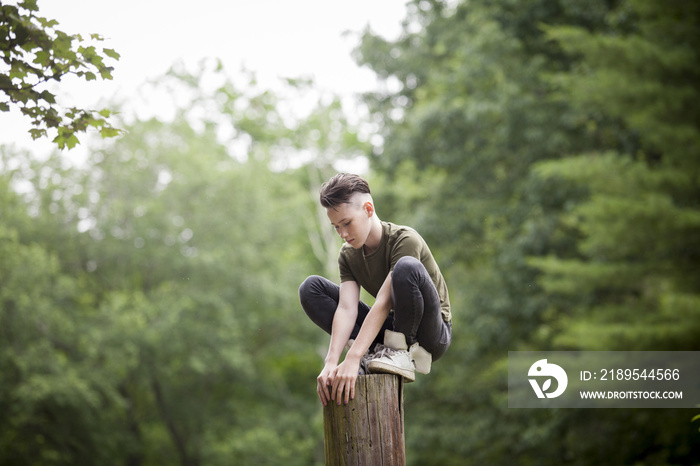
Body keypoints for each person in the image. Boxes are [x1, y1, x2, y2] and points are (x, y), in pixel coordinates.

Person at [299, 173, 452, 406]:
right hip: (391, 330)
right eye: (336, 227)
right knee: (311, 288)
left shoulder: (405, 240)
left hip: (430, 333)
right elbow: (346, 308)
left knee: (406, 267)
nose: (343, 234)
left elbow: (382, 302)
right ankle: (376, 353)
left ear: (368, 209)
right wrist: (331, 361)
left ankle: (397, 354)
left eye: (347, 223)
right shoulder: (348, 255)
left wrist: (353, 357)